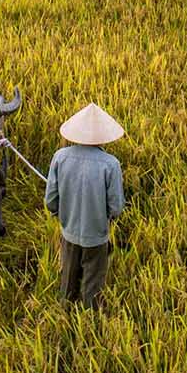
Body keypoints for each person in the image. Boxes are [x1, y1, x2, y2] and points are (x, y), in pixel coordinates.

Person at [43, 102, 127, 306]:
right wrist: (107, 216)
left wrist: (58, 213)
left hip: (68, 230)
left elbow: (50, 199)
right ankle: (90, 319)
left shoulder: (60, 157)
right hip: (97, 235)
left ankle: (65, 313)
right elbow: (116, 206)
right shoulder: (110, 164)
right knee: (93, 282)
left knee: (68, 277)